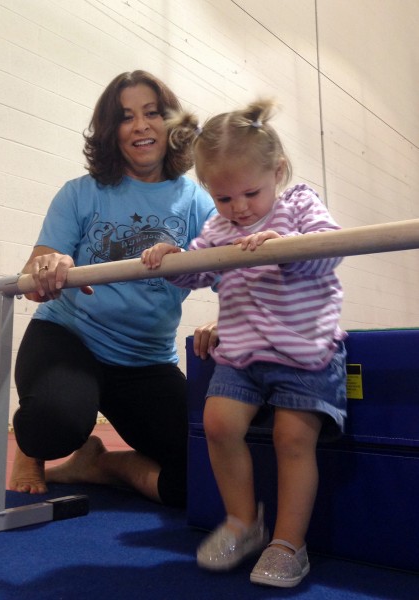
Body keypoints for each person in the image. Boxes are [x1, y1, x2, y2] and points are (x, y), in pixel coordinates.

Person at [141, 99, 347, 586]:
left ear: (277, 171)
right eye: (224, 199)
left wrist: (284, 246)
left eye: (250, 194)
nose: (239, 209)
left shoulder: (299, 204)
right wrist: (172, 258)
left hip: (304, 350)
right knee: (217, 423)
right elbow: (199, 270)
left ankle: (288, 542)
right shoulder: (218, 228)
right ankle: (242, 521)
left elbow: (331, 251)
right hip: (242, 353)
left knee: (292, 438)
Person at [9, 70, 216, 509]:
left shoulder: (198, 203)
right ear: (111, 132)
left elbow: (235, 277)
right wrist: (49, 265)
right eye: (125, 118)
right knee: (53, 423)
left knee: (208, 469)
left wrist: (226, 317)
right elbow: (34, 274)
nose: (140, 126)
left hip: (144, 362)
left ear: (171, 124)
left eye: (152, 113)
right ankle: (33, 452)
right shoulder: (81, 193)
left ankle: (102, 466)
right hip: (69, 341)